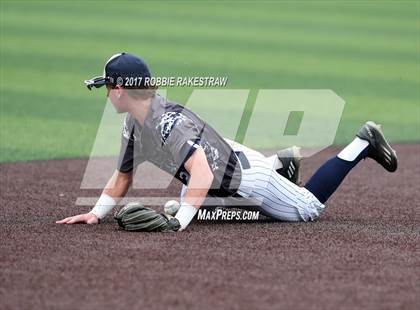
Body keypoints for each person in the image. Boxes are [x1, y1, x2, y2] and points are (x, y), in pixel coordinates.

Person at [56, 52, 398, 231]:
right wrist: (97, 213)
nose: (105, 93)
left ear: (119, 89)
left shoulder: (166, 122)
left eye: (106, 87)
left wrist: (179, 224)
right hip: (228, 161)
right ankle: (283, 165)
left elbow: (201, 173)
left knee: (308, 209)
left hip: (246, 181)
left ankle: (362, 142)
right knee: (186, 202)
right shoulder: (135, 121)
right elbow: (123, 175)